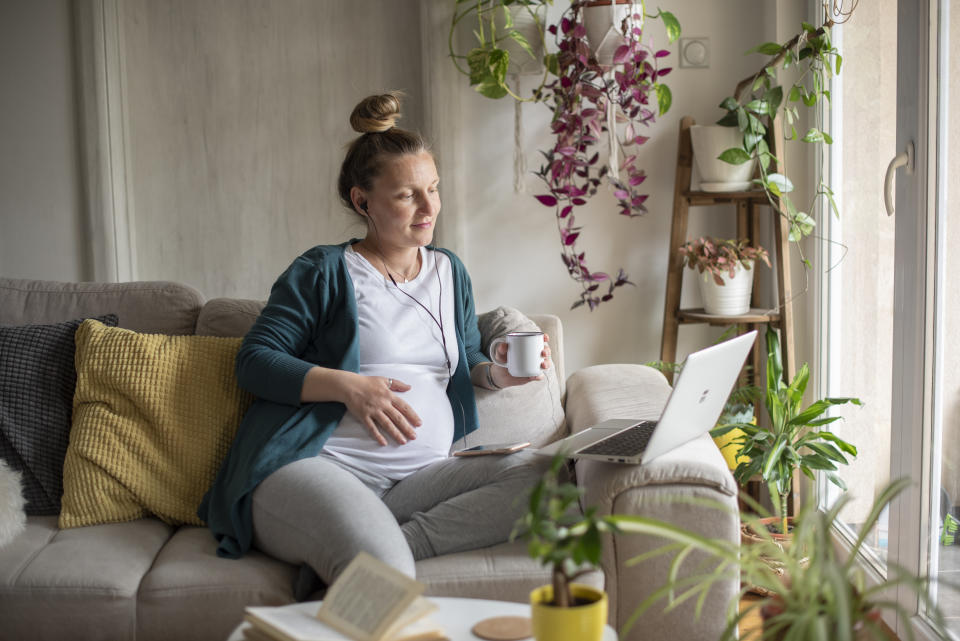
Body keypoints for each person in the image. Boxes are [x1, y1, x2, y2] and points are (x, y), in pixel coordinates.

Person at [198, 92, 553, 594]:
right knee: (386, 571)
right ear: (362, 201)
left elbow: (467, 356)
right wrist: (348, 387)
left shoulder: (450, 270)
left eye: (433, 189)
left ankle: (359, 555)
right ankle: (370, 556)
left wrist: (497, 373)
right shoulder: (323, 270)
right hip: (314, 467)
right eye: (408, 195)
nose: (429, 208)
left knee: (548, 475)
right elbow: (254, 362)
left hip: (413, 485)